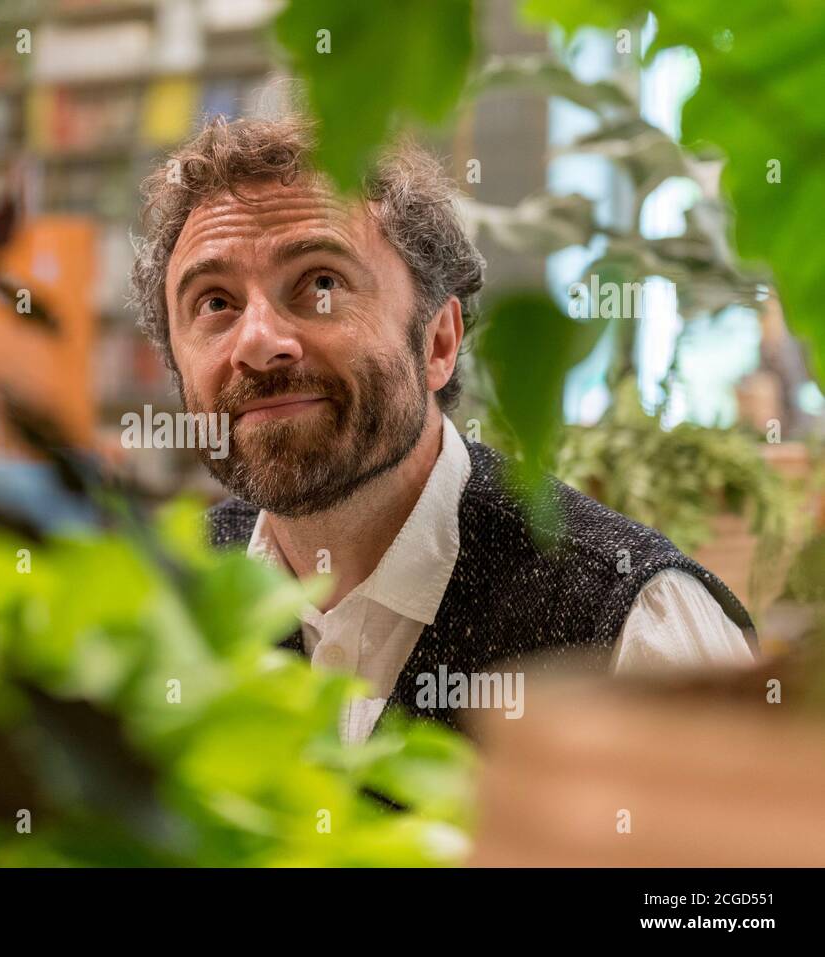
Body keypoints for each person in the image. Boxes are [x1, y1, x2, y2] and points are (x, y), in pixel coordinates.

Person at [128, 115, 756, 741]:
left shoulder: (635, 625)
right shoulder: (160, 602)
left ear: (439, 342)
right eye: (215, 302)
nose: (259, 342)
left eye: (321, 284)